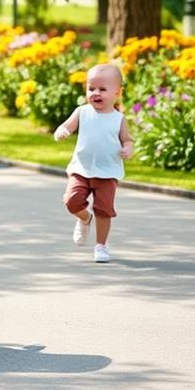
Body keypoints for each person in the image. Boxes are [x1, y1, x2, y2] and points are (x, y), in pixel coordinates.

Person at [54, 64, 133, 263]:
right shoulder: (82, 112)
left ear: (117, 92)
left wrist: (127, 149)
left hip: (107, 172)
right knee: (71, 201)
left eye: (102, 89)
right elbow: (67, 125)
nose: (95, 93)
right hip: (82, 168)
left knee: (104, 210)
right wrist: (62, 131)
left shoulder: (119, 119)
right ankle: (84, 218)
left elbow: (127, 139)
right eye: (91, 89)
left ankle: (101, 246)